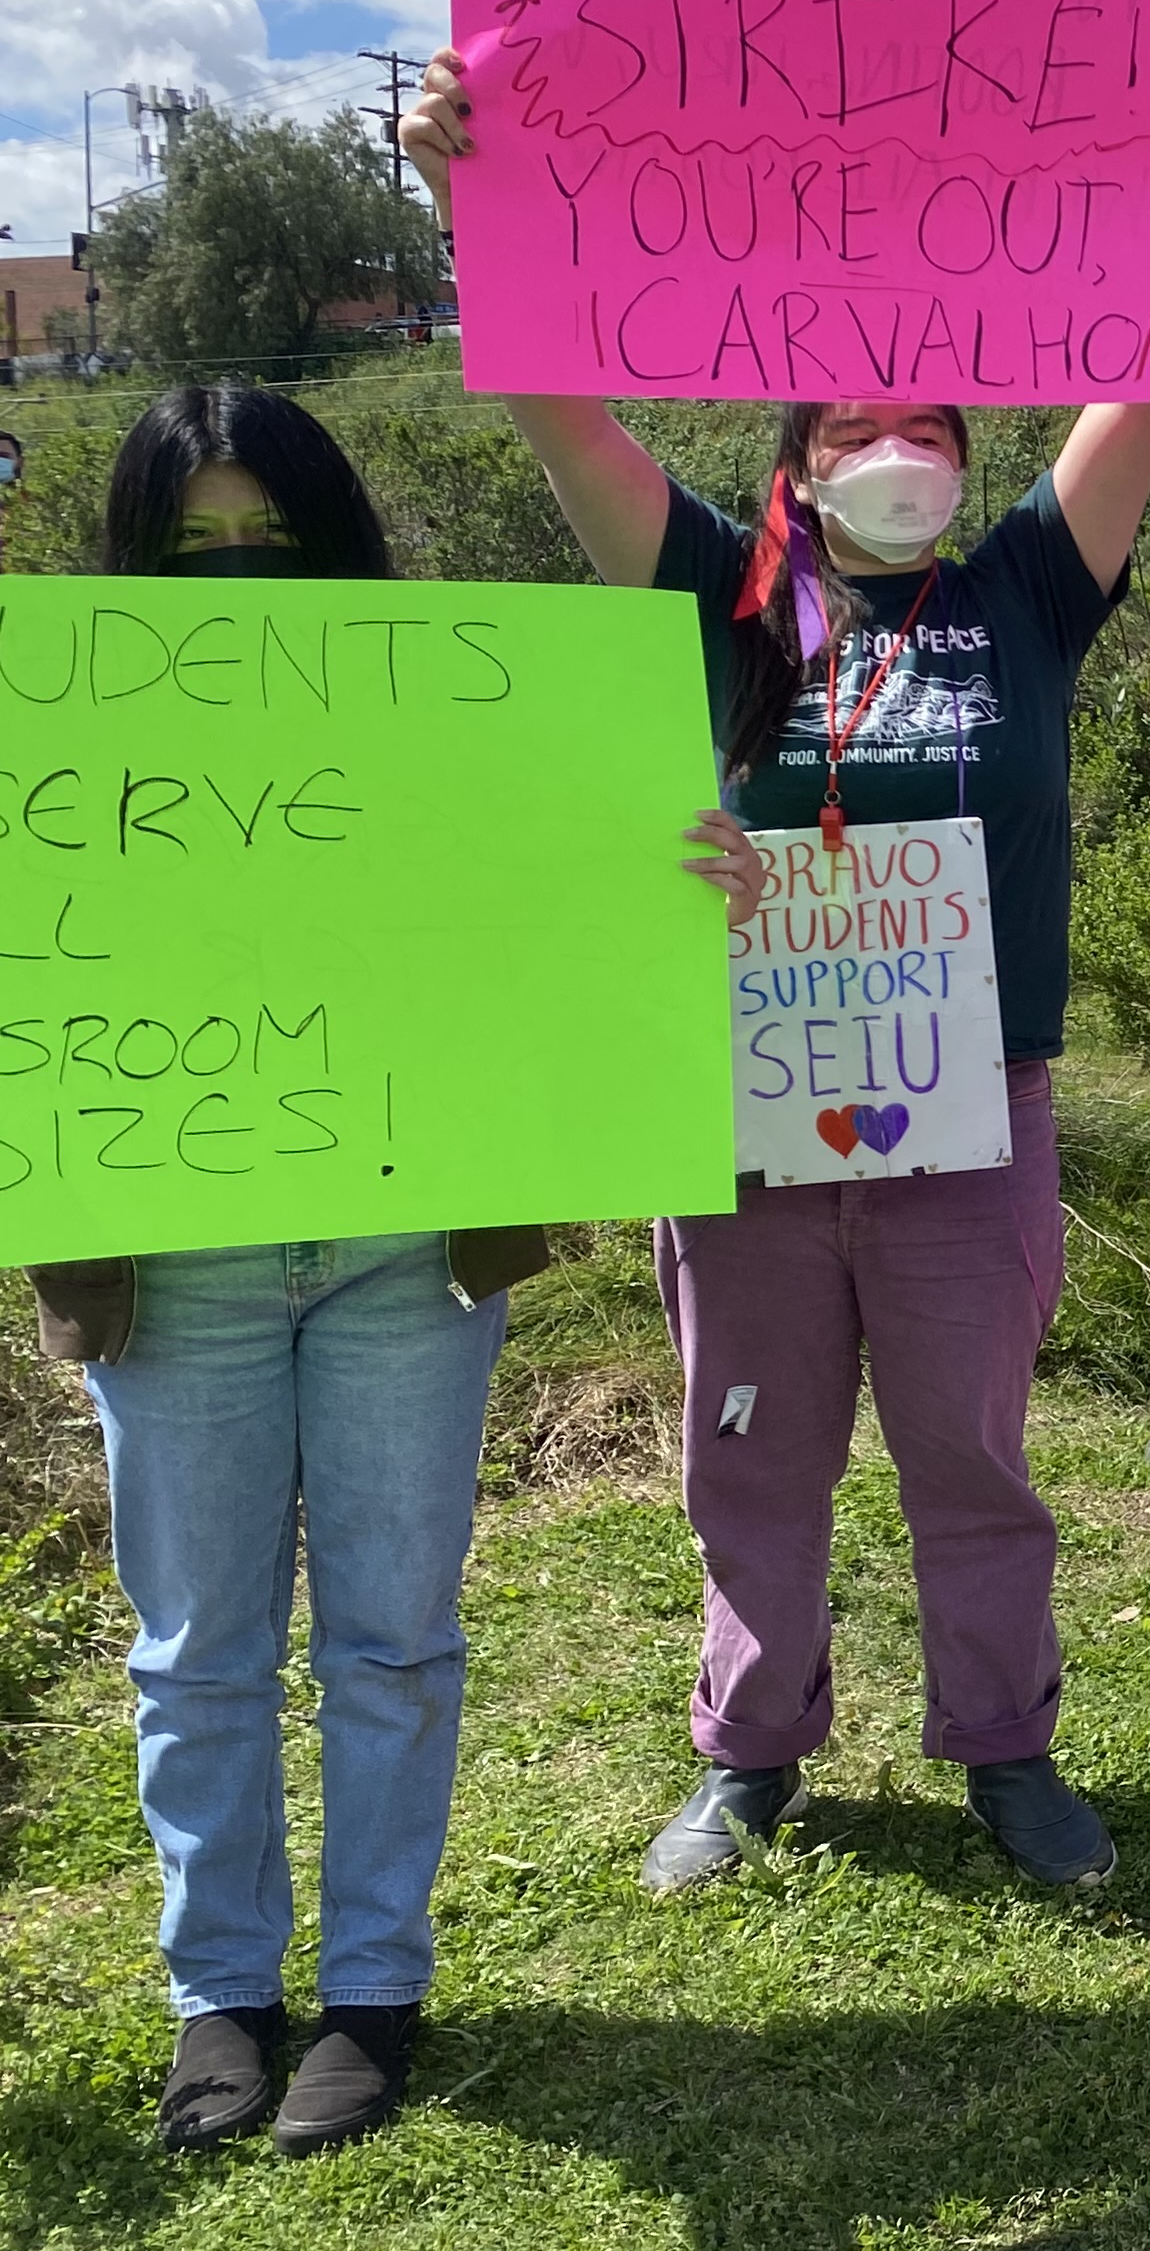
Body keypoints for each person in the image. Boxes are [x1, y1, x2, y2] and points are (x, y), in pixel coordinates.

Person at [400, 43, 1150, 1895]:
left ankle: (1007, 1743)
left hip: (971, 1108)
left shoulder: (1027, 586)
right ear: (794, 462)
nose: (908, 457)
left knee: (971, 1444)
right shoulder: (729, 592)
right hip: (752, 1116)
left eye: (938, 432)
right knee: (752, 1449)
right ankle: (751, 1749)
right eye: (865, 431)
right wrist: (462, 198)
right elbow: (564, 419)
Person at [56, 387, 769, 2154]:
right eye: (196, 544)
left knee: (390, 1636)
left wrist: (690, 888)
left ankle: (372, 1988)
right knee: (197, 1647)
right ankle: (218, 1990)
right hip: (173, 1256)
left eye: (271, 535)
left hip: (405, 1250)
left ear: (342, 540)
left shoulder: (447, 708)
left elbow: (573, 906)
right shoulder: (59, 740)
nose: (240, 573)